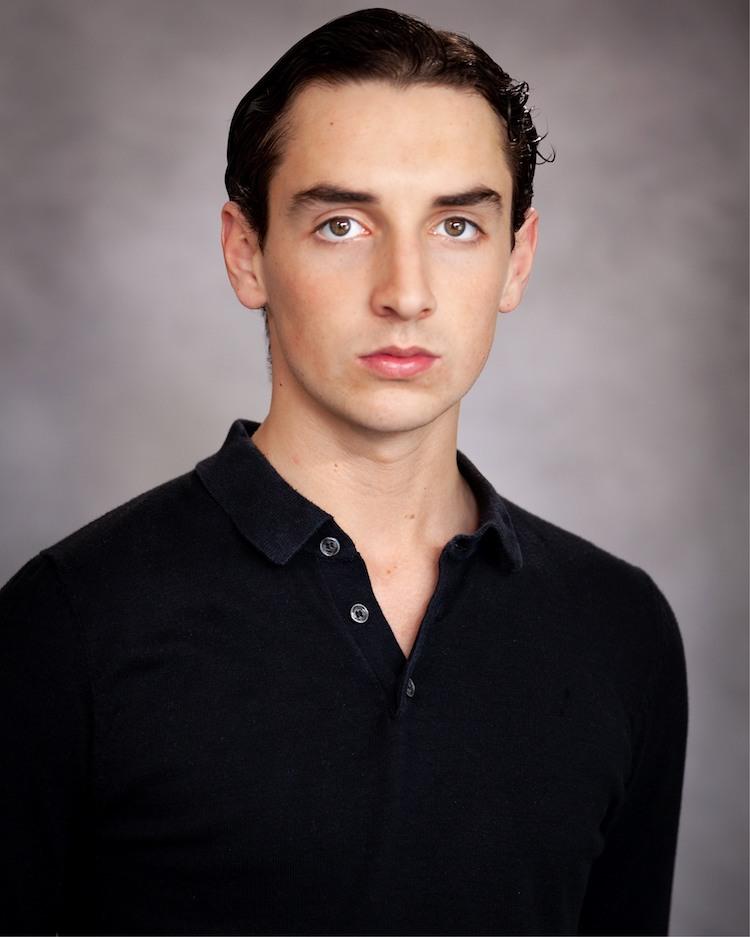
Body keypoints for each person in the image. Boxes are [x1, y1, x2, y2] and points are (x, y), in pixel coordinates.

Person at [1, 8, 688, 935]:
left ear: (516, 260)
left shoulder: (621, 629)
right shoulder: (66, 625)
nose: (405, 291)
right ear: (247, 253)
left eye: (456, 225)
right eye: (341, 224)